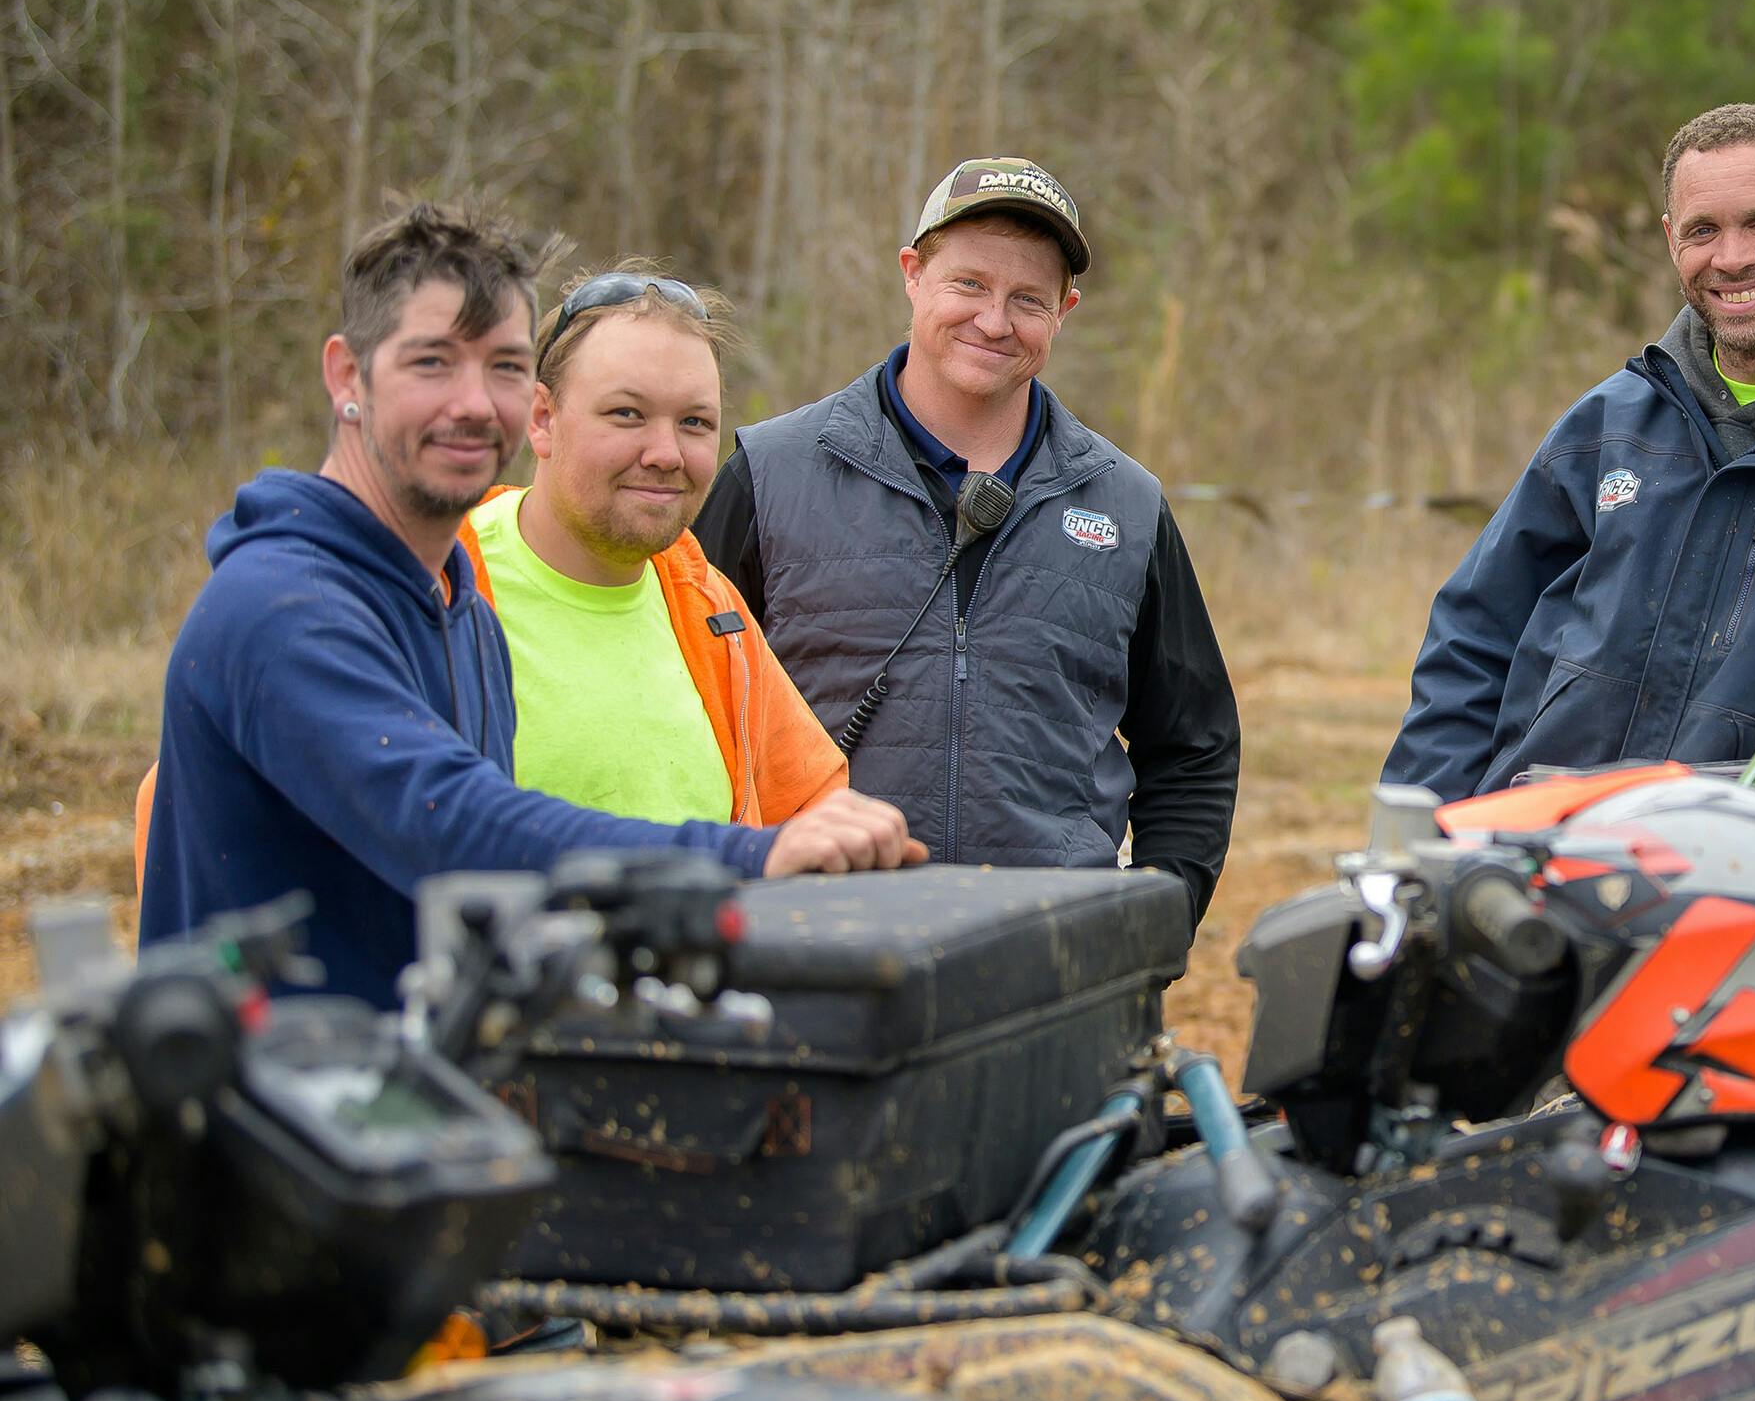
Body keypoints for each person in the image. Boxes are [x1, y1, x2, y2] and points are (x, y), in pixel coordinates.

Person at [140, 204, 921, 1005]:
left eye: (505, 367)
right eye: (433, 363)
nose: (475, 404)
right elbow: (450, 828)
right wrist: (745, 859)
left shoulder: (456, 609)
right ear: (348, 376)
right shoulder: (282, 604)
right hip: (270, 1111)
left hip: (423, 1097)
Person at [692, 158, 1239, 926]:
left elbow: (1193, 746)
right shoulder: (769, 474)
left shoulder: (1129, 505)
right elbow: (681, 708)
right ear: (912, 273)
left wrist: (1156, 922)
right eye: (970, 284)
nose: (993, 321)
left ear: (1066, 310)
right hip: (812, 955)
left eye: (1027, 300)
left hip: (1051, 966)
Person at [1383, 103, 1755, 799]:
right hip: (1535, 854)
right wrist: (1422, 829)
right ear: (1669, 240)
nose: (1733, 257)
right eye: (1703, 231)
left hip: (1744, 872)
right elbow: (1473, 638)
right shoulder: (1611, 423)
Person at [457, 263, 847, 824]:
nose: (665, 453)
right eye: (627, 414)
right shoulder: (432, 589)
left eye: (693, 422)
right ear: (540, 418)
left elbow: (812, 803)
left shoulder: (711, 607)